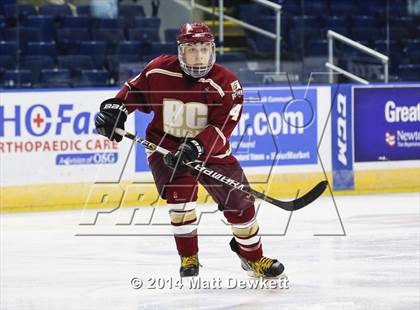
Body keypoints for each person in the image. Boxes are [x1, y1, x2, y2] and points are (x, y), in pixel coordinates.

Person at [94, 22, 284, 278]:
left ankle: (252, 257)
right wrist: (115, 108)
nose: (199, 55)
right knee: (180, 198)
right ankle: (188, 257)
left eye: (204, 49)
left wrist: (195, 147)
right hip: (166, 145)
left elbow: (221, 128)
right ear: (181, 51)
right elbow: (134, 91)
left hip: (211, 151)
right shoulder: (159, 70)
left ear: (212, 50)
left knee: (240, 204)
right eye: (192, 49)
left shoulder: (227, 83)